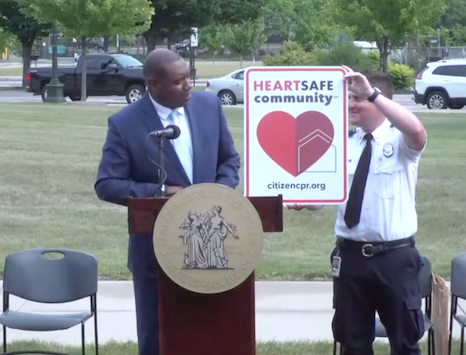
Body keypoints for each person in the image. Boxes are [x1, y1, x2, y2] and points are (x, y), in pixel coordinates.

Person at [94, 48, 241, 355]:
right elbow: (107, 184)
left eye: (189, 77)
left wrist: (218, 194)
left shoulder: (209, 105)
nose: (189, 85)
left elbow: (229, 160)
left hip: (211, 253)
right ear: (154, 85)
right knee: (156, 336)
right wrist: (161, 192)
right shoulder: (125, 123)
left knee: (208, 332)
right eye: (179, 81)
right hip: (155, 251)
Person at [289, 66, 427, 355]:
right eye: (348, 97)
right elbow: (323, 197)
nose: (350, 104)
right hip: (350, 258)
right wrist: (304, 200)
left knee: (404, 342)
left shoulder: (400, 142)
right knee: (353, 343)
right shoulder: (341, 144)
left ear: (380, 100)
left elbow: (416, 129)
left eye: (358, 98)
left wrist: (372, 93)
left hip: (394, 257)